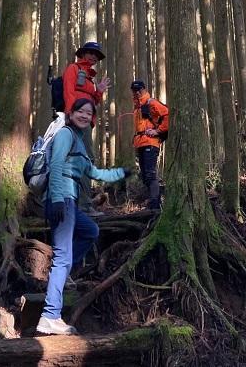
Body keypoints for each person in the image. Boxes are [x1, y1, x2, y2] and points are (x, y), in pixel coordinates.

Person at [36, 98, 131, 336]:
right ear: (72, 113)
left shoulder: (79, 142)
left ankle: (61, 272)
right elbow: (56, 165)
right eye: (81, 111)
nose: (85, 116)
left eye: (89, 113)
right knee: (62, 257)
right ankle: (49, 316)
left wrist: (122, 173)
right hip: (61, 200)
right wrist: (57, 198)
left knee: (91, 231)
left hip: (70, 202)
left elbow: (95, 173)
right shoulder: (66, 134)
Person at [62, 41, 110, 214]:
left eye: (96, 55)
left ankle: (80, 203)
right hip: (76, 120)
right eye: (90, 53)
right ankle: (83, 205)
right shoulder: (73, 69)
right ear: (82, 53)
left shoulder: (90, 77)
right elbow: (68, 91)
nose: (93, 57)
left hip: (86, 121)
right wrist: (70, 115)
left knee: (84, 159)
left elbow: (93, 101)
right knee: (85, 158)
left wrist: (99, 91)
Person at [131, 80, 169, 211]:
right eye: (134, 90)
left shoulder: (151, 102)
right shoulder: (137, 107)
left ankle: (154, 205)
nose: (137, 92)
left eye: (139, 89)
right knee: (145, 175)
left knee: (150, 174)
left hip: (151, 143)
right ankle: (154, 202)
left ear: (144, 89)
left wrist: (157, 131)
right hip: (141, 142)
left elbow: (167, 114)